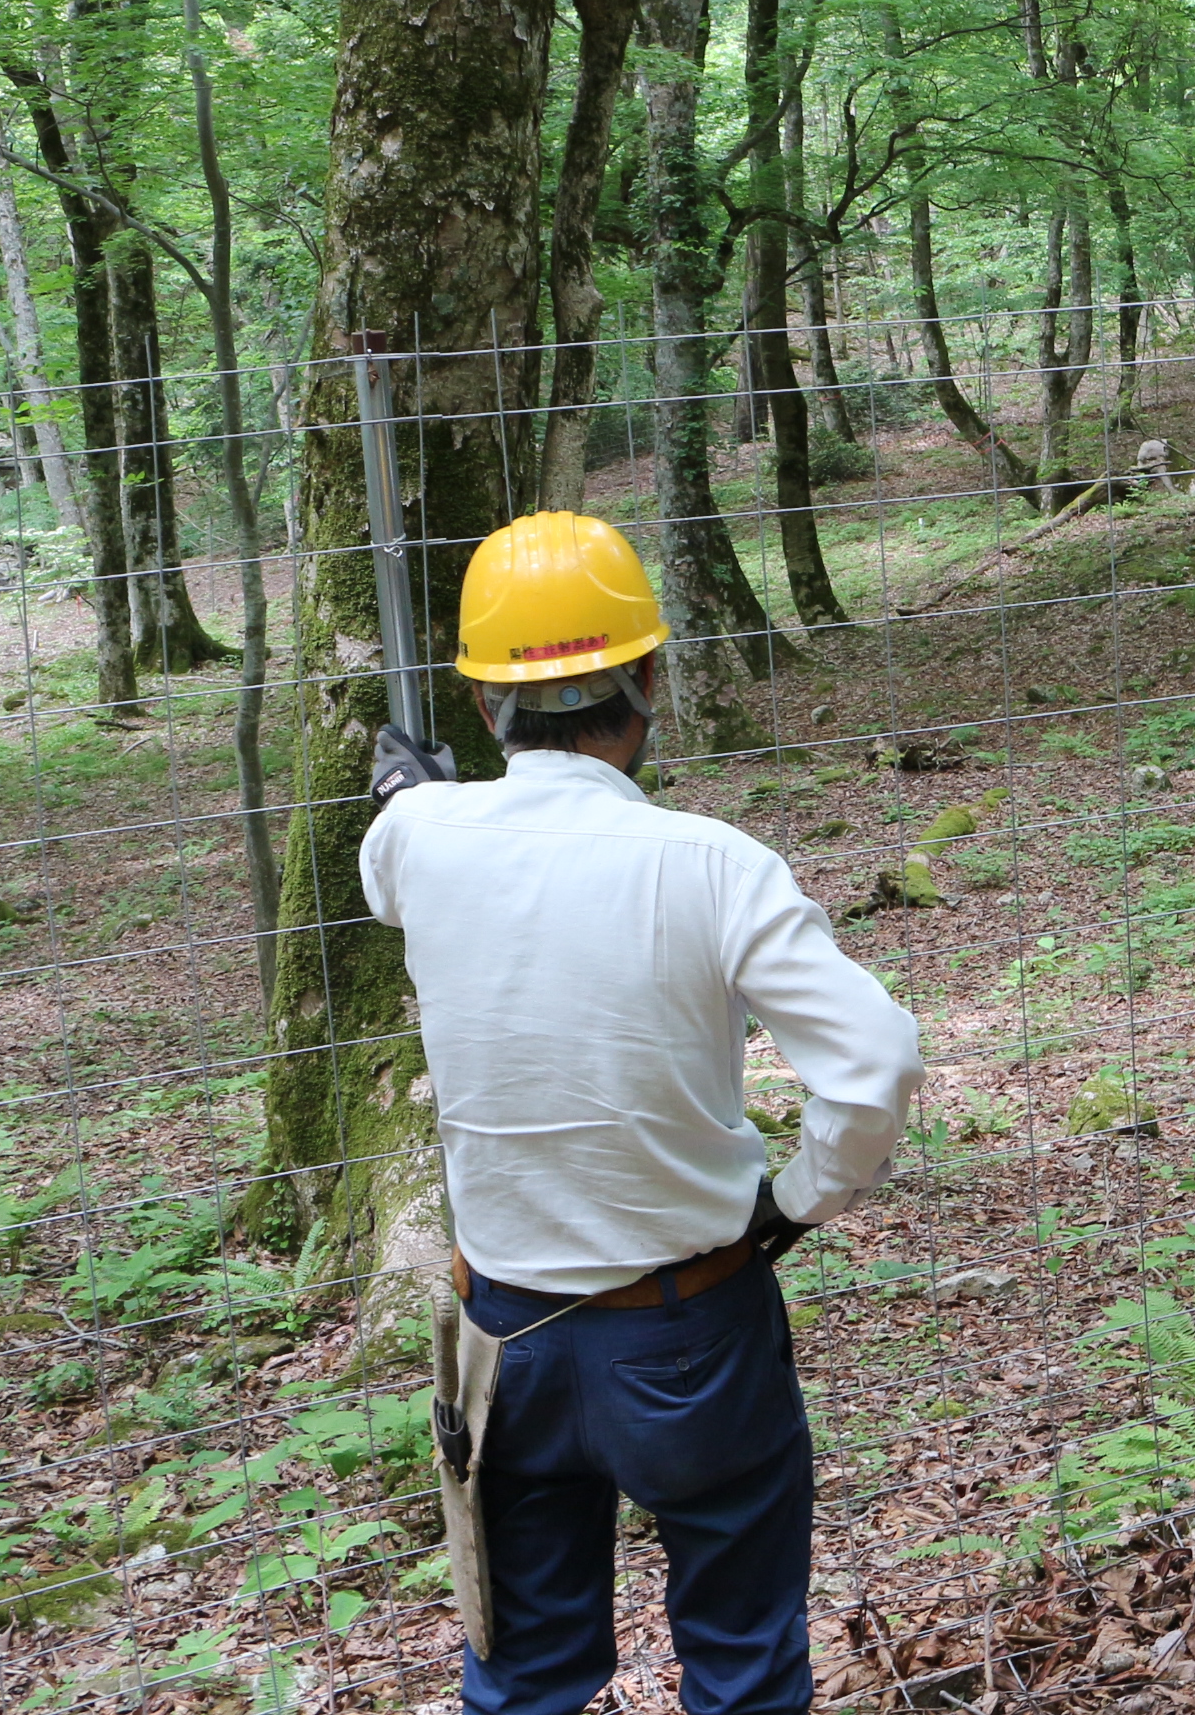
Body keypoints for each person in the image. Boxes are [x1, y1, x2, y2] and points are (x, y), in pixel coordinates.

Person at [364, 510, 926, 1715]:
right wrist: (796, 1203)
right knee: (739, 1664)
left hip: (500, 1336)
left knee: (524, 1677)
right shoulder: (712, 861)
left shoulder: (417, 838)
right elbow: (872, 1060)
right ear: (652, 677)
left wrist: (415, 792)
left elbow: (399, 849)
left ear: (482, 704)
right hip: (687, 1328)